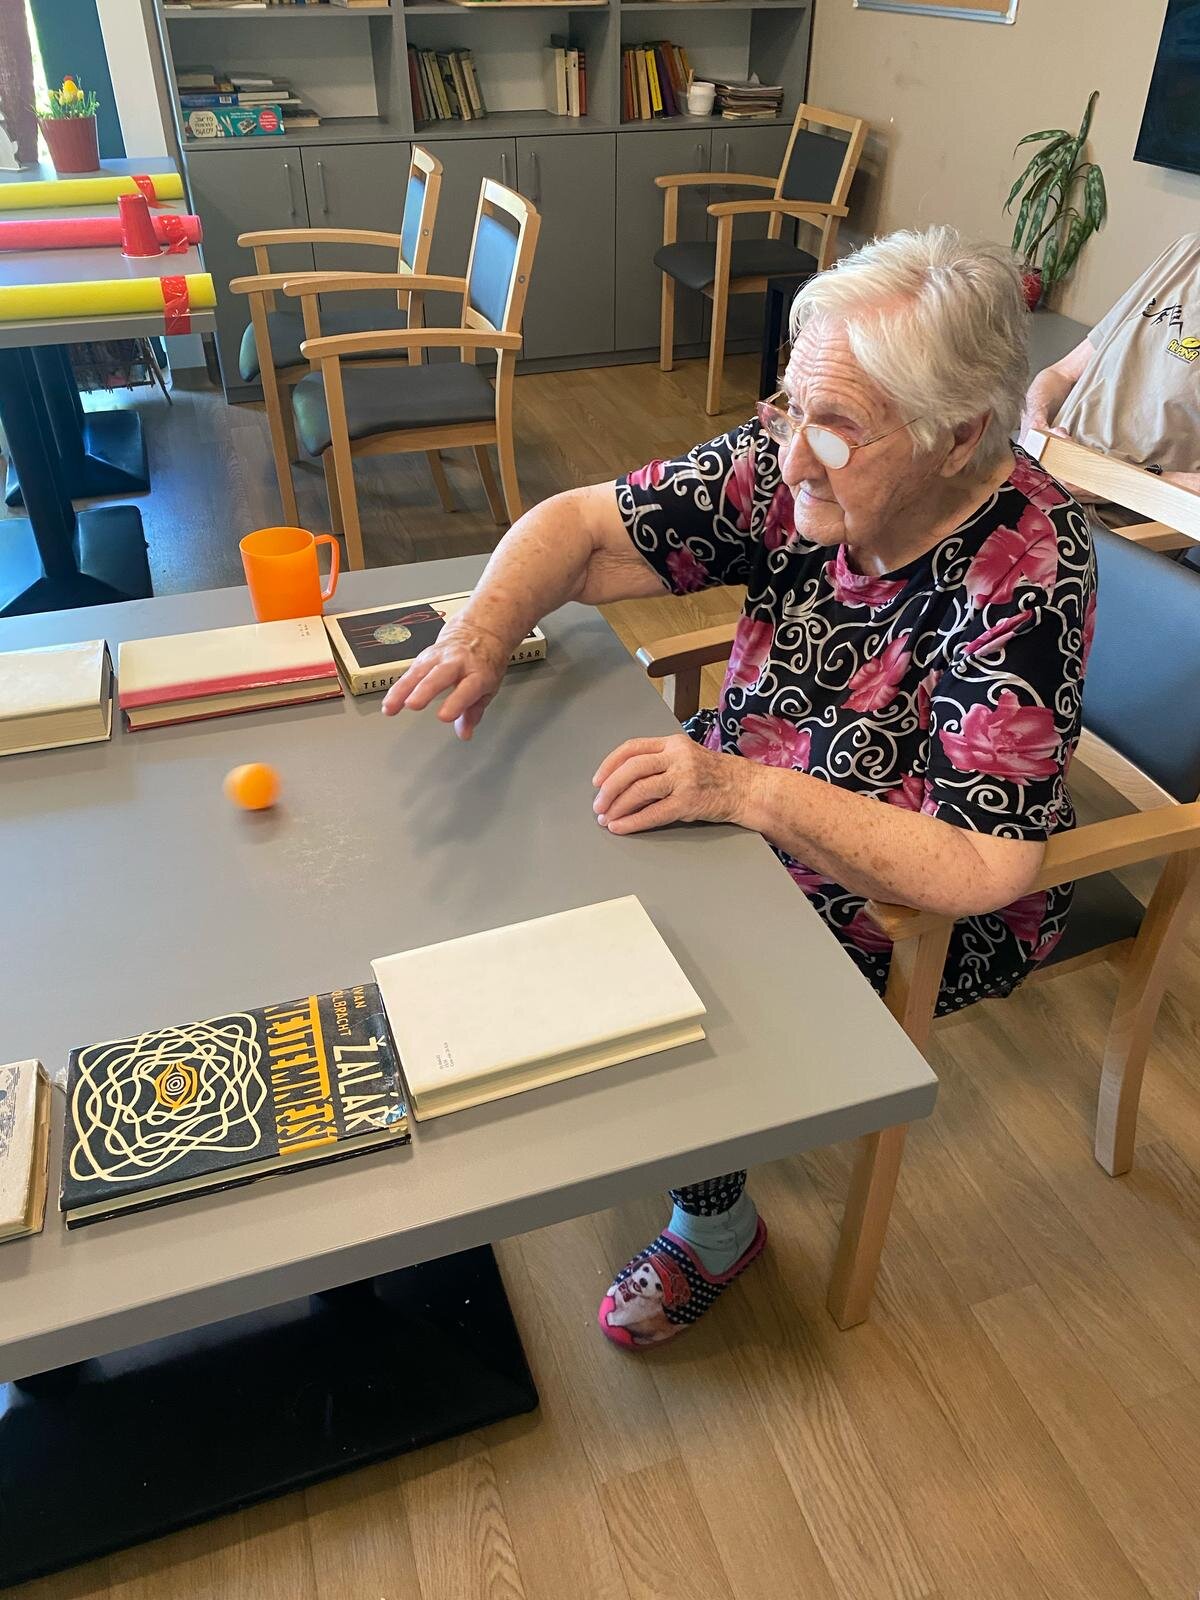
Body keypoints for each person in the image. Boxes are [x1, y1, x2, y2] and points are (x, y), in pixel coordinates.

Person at [383, 226, 1096, 1349]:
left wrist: (745, 791)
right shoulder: (792, 462)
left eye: (837, 428)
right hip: (747, 792)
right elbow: (581, 529)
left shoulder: (1032, 564)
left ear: (959, 434)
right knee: (543, 859)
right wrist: (482, 630)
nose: (794, 458)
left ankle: (715, 1229)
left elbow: (981, 865)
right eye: (790, 407)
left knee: (666, 986)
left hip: (914, 893)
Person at [1022, 233, 1200, 498]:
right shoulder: (1188, 252)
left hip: (1109, 511)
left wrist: (1106, 481)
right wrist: (1033, 423)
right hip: (1036, 470)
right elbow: (1062, 372)